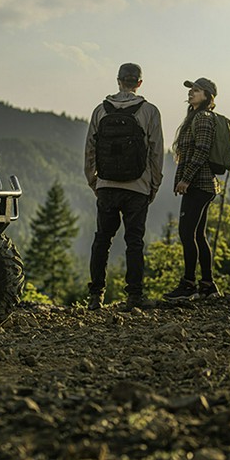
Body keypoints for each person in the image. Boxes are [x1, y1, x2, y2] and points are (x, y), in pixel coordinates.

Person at [84, 63, 164, 309]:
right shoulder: (150, 111)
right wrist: (154, 184)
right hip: (137, 187)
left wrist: (94, 180)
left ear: (118, 81)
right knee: (135, 241)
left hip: (107, 185)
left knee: (102, 240)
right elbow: (156, 151)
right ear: (139, 83)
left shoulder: (101, 110)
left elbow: (90, 149)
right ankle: (134, 296)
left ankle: (96, 296)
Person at [164, 77, 222, 300]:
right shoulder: (195, 117)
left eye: (197, 90)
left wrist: (186, 179)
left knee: (186, 232)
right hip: (202, 185)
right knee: (198, 234)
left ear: (207, 96)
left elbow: (202, 151)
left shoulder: (204, 119)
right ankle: (207, 285)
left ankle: (188, 285)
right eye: (191, 90)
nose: (191, 93)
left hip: (200, 184)